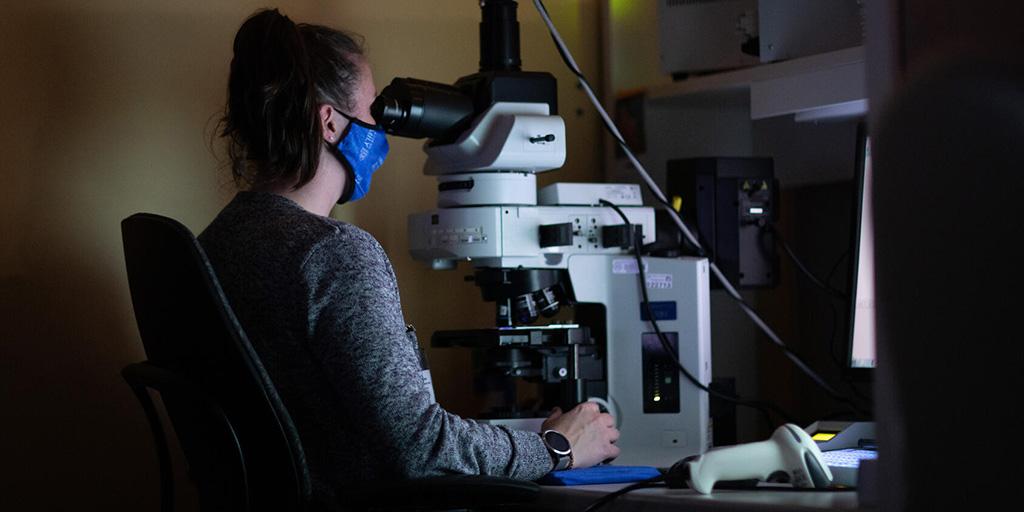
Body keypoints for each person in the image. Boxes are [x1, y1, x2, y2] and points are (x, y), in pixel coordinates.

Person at [198, 8, 620, 505]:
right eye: (374, 112)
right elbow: (420, 448)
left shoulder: (215, 243)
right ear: (330, 122)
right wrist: (558, 447)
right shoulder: (334, 254)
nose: (380, 129)